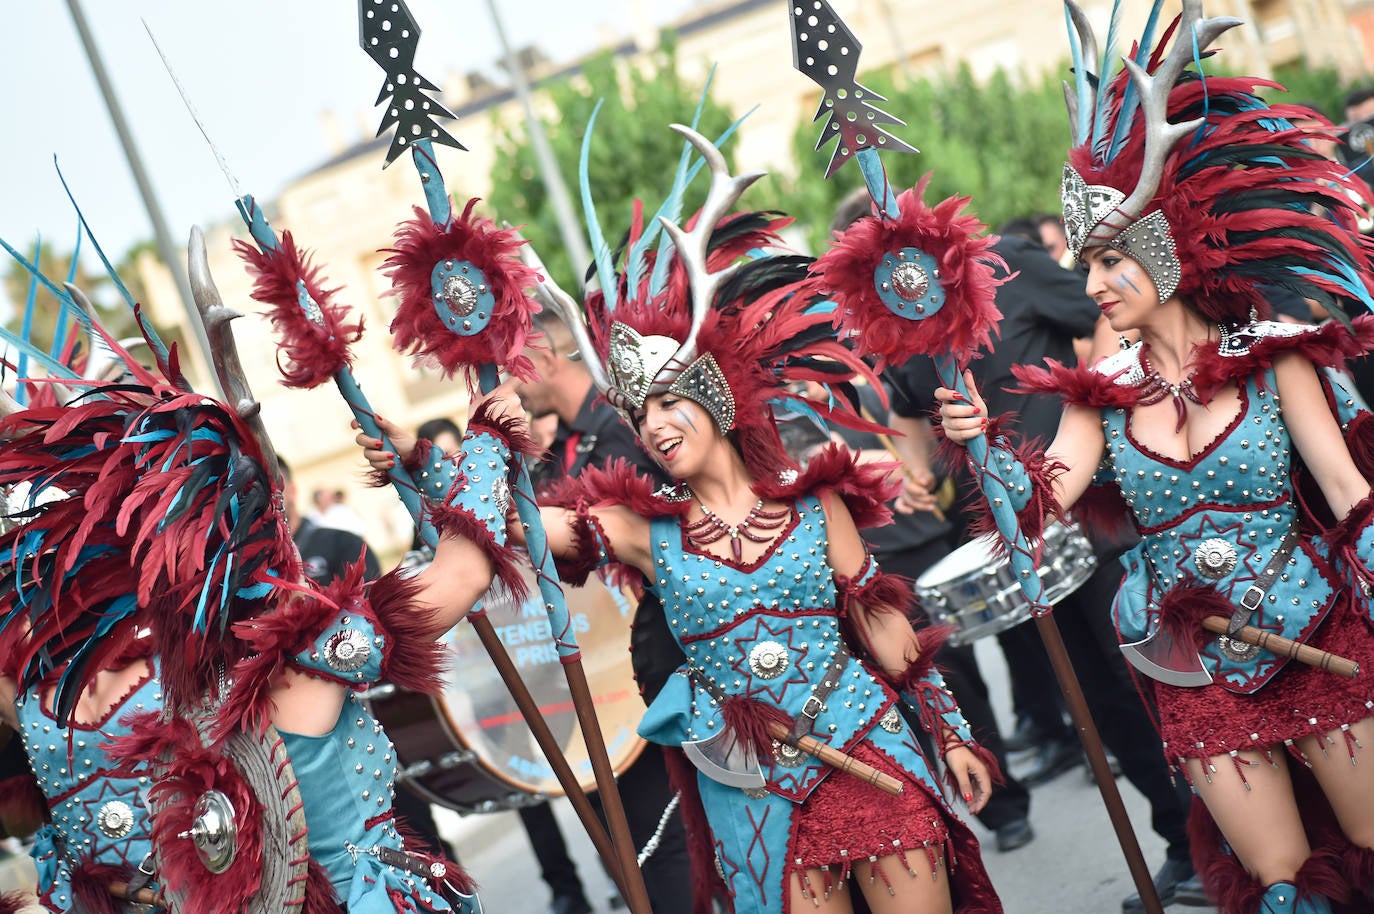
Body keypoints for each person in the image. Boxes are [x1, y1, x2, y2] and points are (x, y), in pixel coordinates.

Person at [363, 125, 1004, 914]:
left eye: (670, 402)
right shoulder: (641, 530)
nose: (655, 426)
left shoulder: (814, 502)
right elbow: (519, 533)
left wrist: (949, 734)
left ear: (719, 396)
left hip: (871, 749)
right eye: (640, 413)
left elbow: (882, 625)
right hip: (762, 791)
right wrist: (466, 455)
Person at [939, 5, 1374, 911]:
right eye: (1089, 266)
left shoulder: (1273, 352)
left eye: (1107, 263)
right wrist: (982, 447)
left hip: (1320, 633)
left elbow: (1345, 490)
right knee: (1283, 887)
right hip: (1197, 664)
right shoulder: (1101, 393)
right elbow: (1042, 500)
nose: (1090, 285)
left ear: (1162, 249)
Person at [893, 217, 1203, 912]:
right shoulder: (901, 321)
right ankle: (1183, 840)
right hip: (1012, 532)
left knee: (1141, 679)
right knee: (1092, 700)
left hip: (1092, 512)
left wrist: (1098, 390)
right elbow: (910, 408)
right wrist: (917, 467)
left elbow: (1101, 313)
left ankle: (1220, 833)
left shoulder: (1009, 265)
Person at [825, 191, 1036, 855]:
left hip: (915, 537)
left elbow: (911, 419)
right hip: (846, 550)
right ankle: (925, 822)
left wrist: (911, 471)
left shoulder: (906, 333)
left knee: (957, 674)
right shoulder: (818, 344)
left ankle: (1003, 803)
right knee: (895, 695)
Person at [510, 310, 694, 914]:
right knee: (639, 842)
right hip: (611, 674)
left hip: (676, 659)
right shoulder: (562, 445)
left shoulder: (624, 427)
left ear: (538, 352)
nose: (509, 384)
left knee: (667, 841)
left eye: (511, 365)